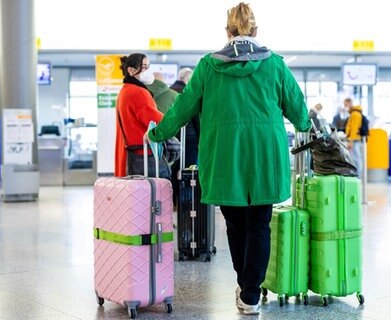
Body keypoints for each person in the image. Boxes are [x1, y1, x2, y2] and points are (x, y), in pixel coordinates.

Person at [145, 2, 310, 315]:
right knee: (260, 224)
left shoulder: (208, 65)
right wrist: (306, 125)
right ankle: (250, 293)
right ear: (256, 31)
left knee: (234, 224)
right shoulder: (274, 63)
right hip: (265, 154)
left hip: (224, 153)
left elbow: (183, 107)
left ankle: (245, 284)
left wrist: (157, 133)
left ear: (227, 32)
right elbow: (297, 106)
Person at [114, 53, 171, 179]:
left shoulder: (125, 90)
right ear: (131, 70)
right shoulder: (138, 92)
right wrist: (174, 120)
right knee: (160, 191)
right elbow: (155, 120)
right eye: (144, 67)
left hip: (133, 154)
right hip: (145, 154)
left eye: (148, 67)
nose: (148, 71)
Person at [169, 67, 197, 207]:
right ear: (187, 78)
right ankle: (185, 202)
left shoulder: (171, 91)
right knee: (189, 171)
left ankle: (173, 200)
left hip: (175, 138)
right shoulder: (188, 93)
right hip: (190, 138)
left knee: (174, 169)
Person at [344, 98, 364, 172]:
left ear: (350, 103)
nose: (345, 106)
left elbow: (354, 129)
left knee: (356, 159)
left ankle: (357, 176)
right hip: (353, 139)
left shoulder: (355, 114)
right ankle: (356, 175)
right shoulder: (353, 113)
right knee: (354, 158)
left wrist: (351, 141)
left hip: (354, 140)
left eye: (345, 104)